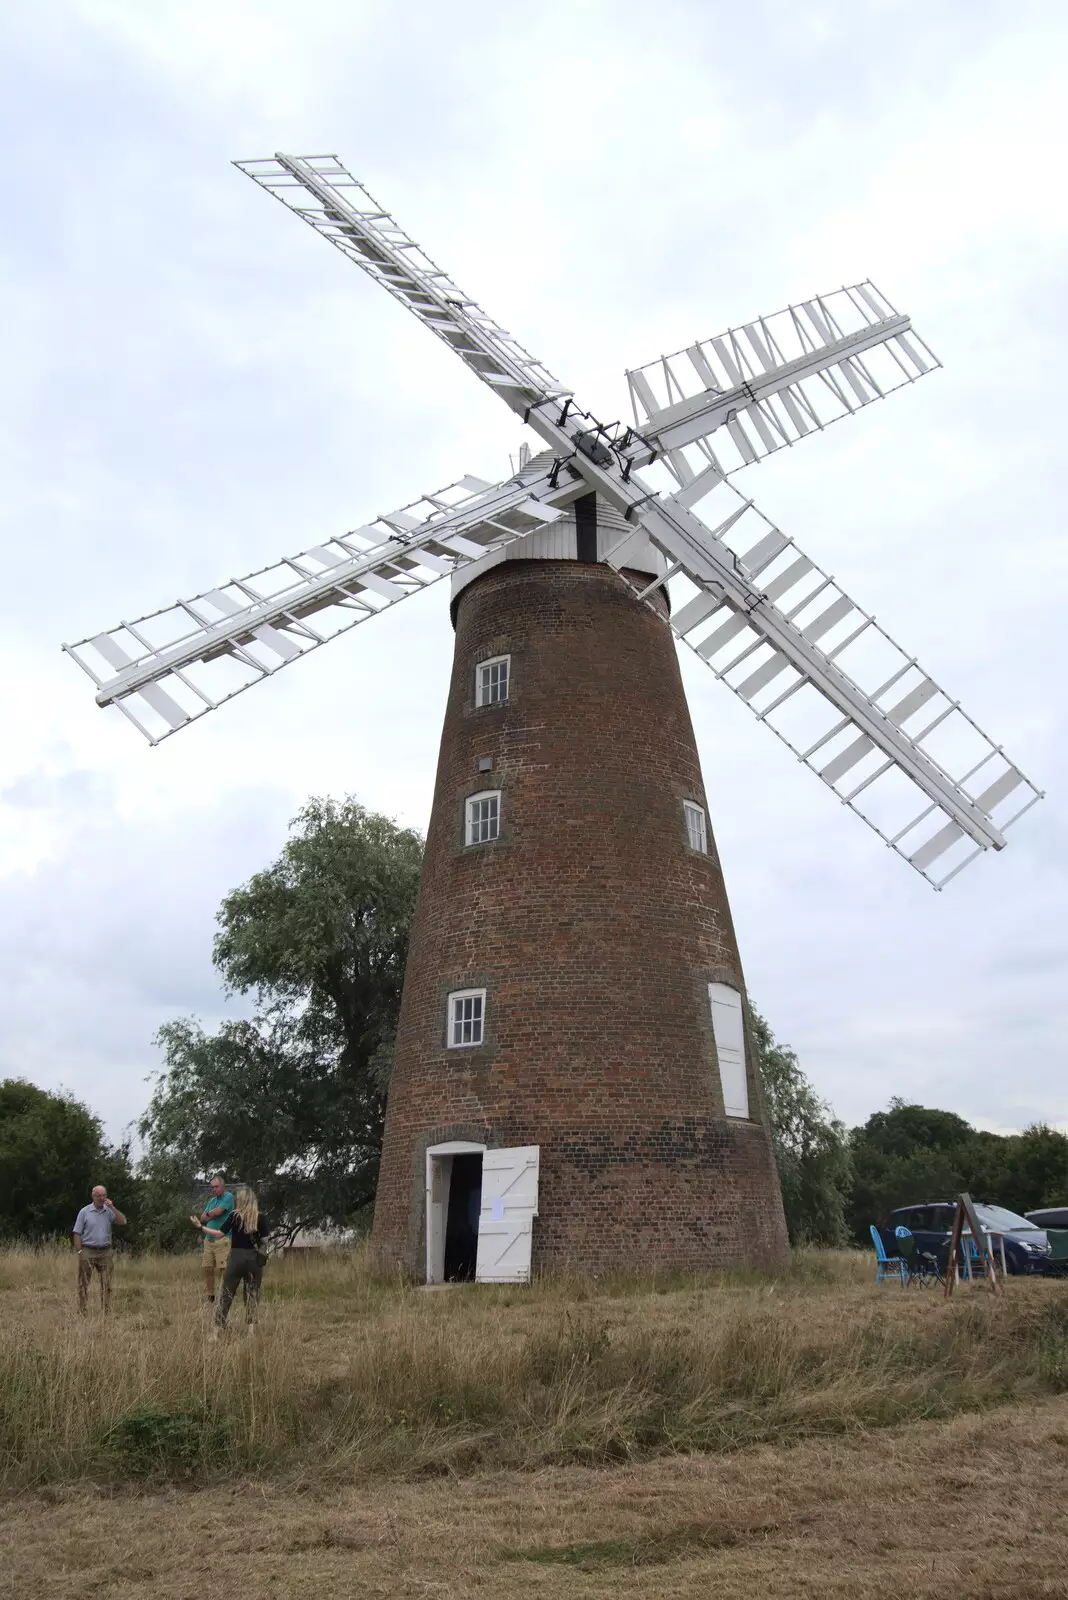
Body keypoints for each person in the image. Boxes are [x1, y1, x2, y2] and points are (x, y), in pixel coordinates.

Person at [191, 1184, 270, 1334]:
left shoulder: (234, 1215)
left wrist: (200, 1227)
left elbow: (219, 1234)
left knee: (226, 1294)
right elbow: (266, 1240)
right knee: (252, 1294)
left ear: (240, 1200)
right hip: (254, 1259)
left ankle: (215, 1332)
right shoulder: (260, 1217)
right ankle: (251, 1333)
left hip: (235, 1258)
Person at [73, 1185, 127, 1315]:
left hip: (105, 1252)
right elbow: (76, 1233)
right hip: (88, 1250)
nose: (102, 1198)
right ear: (93, 1196)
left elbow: (123, 1221)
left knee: (107, 1284)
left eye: (104, 1195)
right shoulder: (84, 1212)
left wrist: (112, 1207)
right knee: (83, 1283)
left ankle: (106, 1311)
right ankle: (83, 1311)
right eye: (99, 1195)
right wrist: (80, 1251)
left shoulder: (109, 1211)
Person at [197, 1175, 235, 1305]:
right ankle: (210, 1296)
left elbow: (219, 1212)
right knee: (208, 1268)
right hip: (209, 1239)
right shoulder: (211, 1201)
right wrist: (209, 1214)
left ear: (222, 1186)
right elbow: (202, 1219)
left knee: (223, 1269)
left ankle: (225, 1296)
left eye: (216, 1187)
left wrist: (209, 1214)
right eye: (212, 1187)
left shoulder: (228, 1197)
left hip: (223, 1238)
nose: (214, 1189)